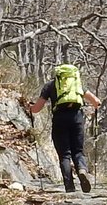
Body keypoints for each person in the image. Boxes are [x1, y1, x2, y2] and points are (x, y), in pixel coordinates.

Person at [26, 63, 101, 193]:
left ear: (58, 74)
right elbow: (96, 102)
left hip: (60, 119)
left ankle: (70, 187)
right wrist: (93, 109)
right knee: (78, 151)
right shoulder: (77, 85)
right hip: (77, 118)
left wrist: (29, 108)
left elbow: (37, 108)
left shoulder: (50, 85)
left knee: (64, 154)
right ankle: (82, 170)